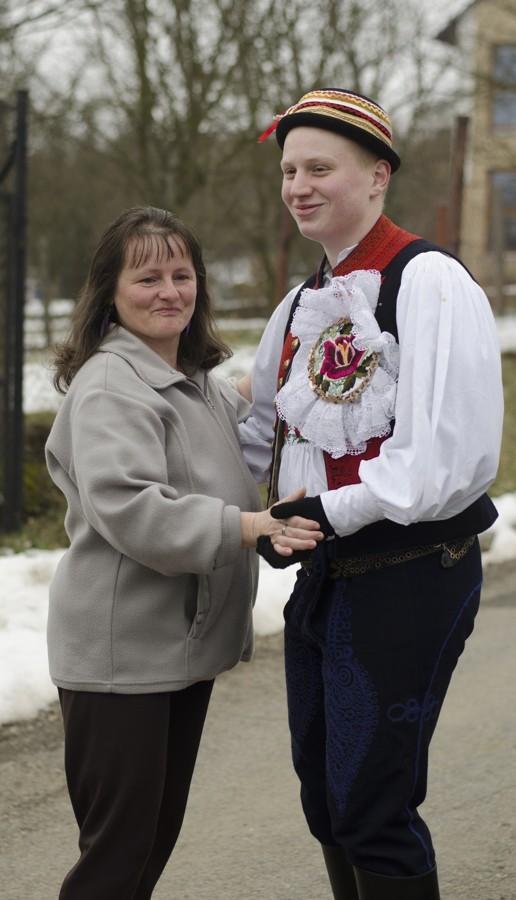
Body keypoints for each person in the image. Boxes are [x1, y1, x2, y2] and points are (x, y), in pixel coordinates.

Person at [239, 89, 504, 899]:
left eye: (320, 168)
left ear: (378, 175)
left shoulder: (427, 282)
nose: (298, 186)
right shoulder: (298, 306)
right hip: (326, 576)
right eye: (289, 171)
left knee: (371, 806)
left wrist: (320, 513)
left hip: (410, 573)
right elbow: (262, 431)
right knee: (327, 800)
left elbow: (439, 463)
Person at [44, 206, 321, 900]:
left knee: (147, 848)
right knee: (116, 860)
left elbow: (240, 429)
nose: (169, 291)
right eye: (147, 278)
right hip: (123, 660)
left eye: (181, 274)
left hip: (175, 653)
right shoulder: (111, 387)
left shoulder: (190, 379)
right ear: (110, 291)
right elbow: (133, 509)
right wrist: (250, 526)